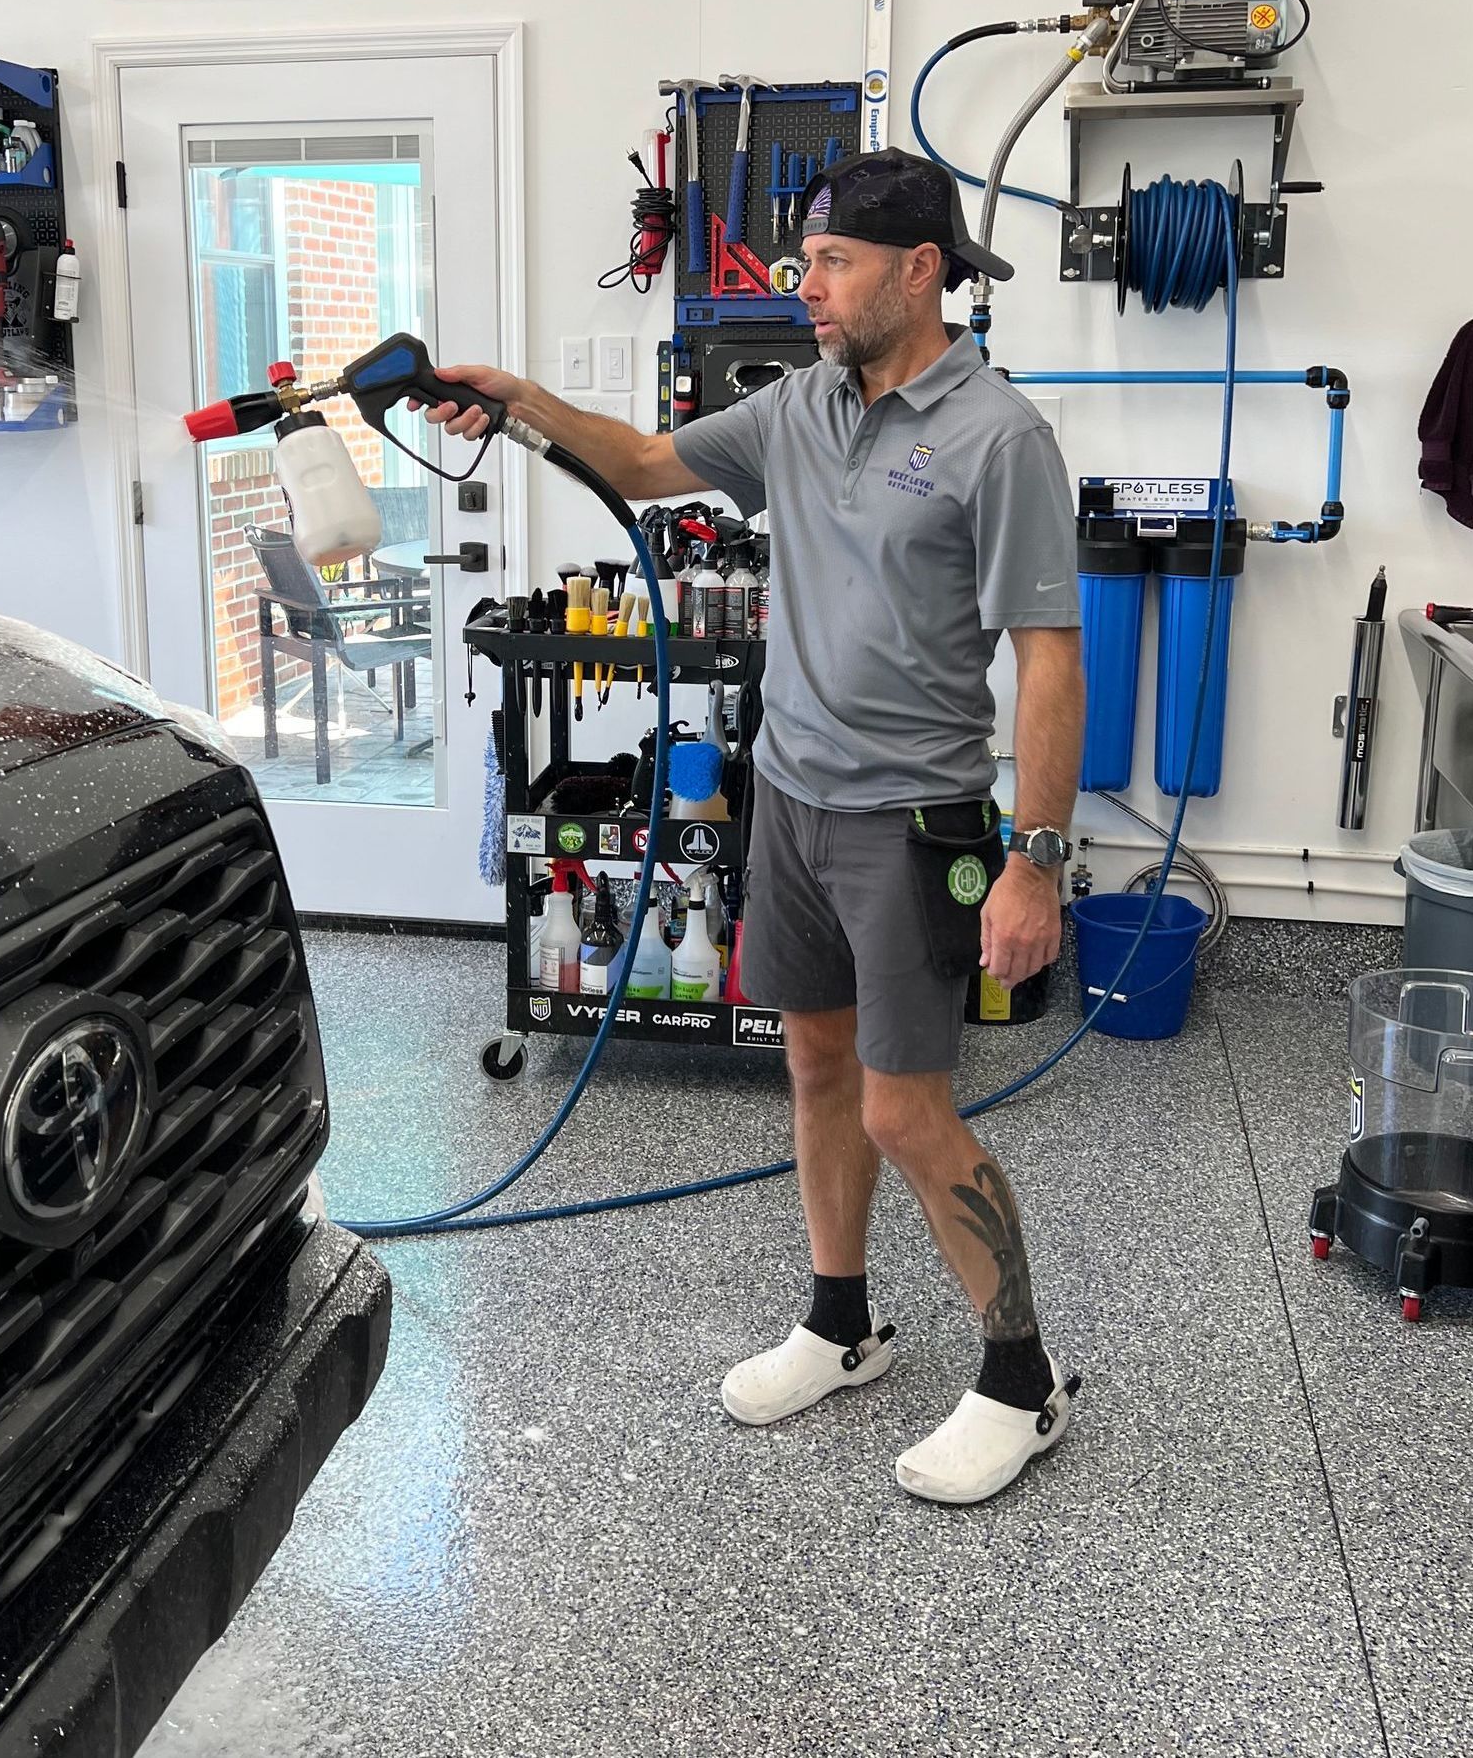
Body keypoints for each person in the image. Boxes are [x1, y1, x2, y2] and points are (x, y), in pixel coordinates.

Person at [425, 148, 1085, 1506]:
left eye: (831, 264)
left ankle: (1024, 1381)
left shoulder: (998, 436)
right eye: (802, 264)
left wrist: (1033, 859)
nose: (807, 290)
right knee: (816, 1070)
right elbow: (648, 462)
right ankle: (839, 1321)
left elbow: (1048, 662)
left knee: (908, 1109)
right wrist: (519, 401)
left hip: (914, 820)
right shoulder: (797, 407)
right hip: (787, 795)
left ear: (920, 271)